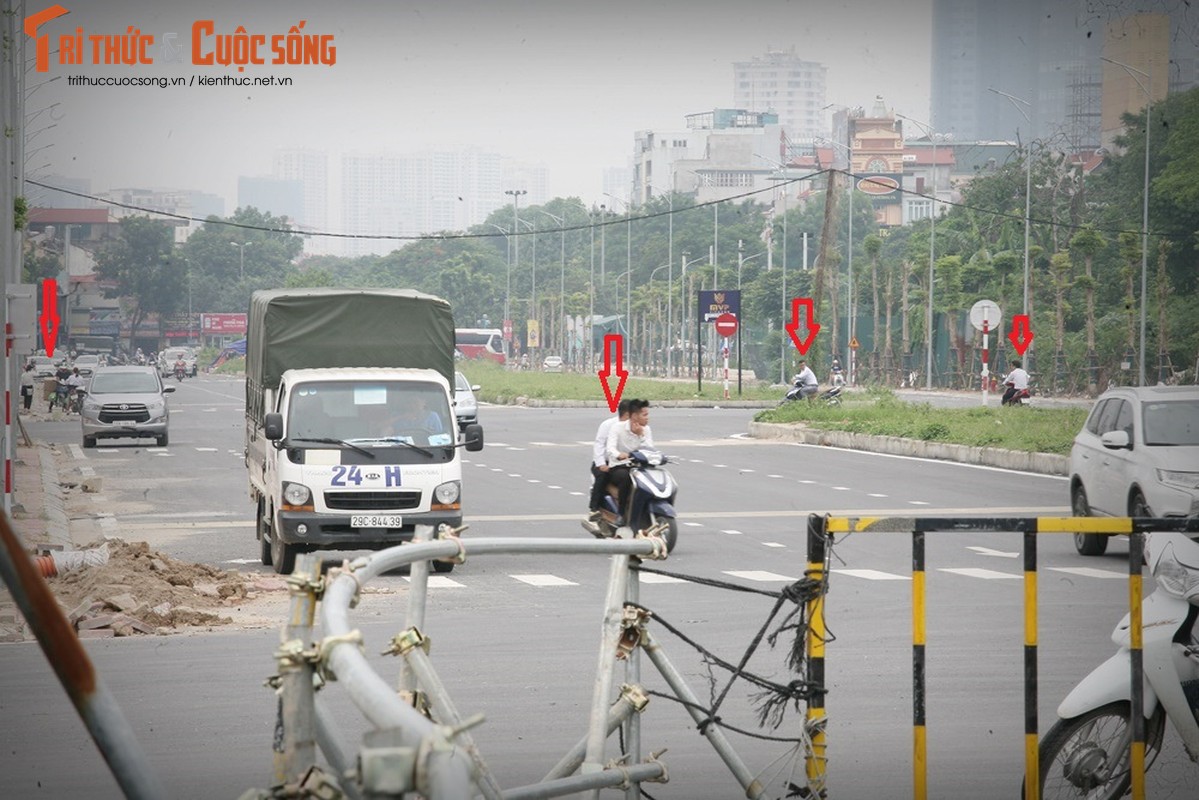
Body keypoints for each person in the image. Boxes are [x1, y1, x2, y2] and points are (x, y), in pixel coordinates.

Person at [605, 399, 655, 521]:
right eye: (645, 415)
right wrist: (619, 454)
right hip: (620, 466)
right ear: (634, 416)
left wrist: (641, 435)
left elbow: (650, 449)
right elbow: (610, 448)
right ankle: (621, 514)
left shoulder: (646, 430)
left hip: (639, 467)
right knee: (626, 477)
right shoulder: (617, 427)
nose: (647, 418)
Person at [586, 399, 631, 530]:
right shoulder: (608, 425)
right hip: (605, 462)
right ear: (627, 414)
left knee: (627, 478)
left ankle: (625, 511)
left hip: (624, 463)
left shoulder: (635, 427)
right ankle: (594, 509)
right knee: (603, 476)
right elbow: (599, 445)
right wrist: (601, 464)